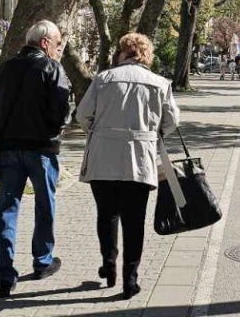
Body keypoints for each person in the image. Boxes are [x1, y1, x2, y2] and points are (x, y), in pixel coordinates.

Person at [77, 33, 179, 299]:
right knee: (135, 221)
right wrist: (153, 134)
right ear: (146, 55)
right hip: (140, 159)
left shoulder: (103, 79)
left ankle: (108, 264)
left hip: (103, 158)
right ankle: (130, 280)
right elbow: (171, 121)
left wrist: (98, 132)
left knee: (106, 214)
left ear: (123, 53)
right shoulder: (159, 83)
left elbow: (82, 115)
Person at [0, 20, 72, 298]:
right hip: (41, 150)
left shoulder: (7, 67)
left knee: (6, 210)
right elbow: (61, 110)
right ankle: (42, 261)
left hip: (9, 149)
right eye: (58, 44)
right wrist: (54, 130)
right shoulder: (51, 67)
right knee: (45, 205)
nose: (59, 49)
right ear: (45, 43)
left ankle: (4, 275)